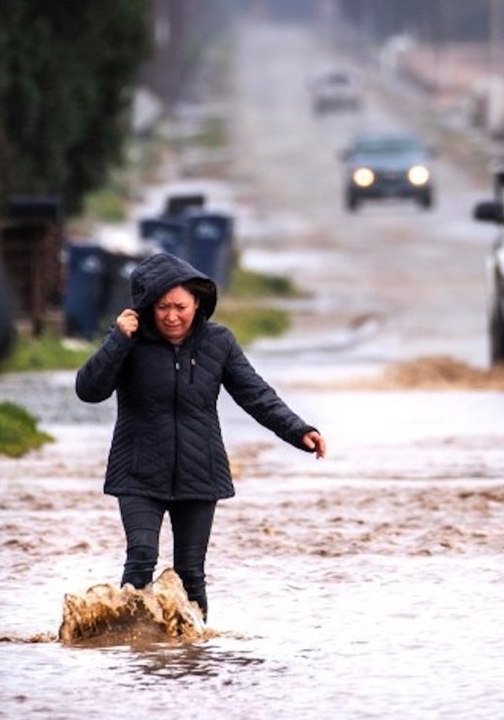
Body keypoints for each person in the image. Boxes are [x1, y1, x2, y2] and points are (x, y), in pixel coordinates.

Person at [76, 252, 325, 622]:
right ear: (148, 306)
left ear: (198, 303)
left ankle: (192, 648)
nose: (171, 316)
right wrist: (117, 339)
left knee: (191, 573)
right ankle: (132, 646)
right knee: (141, 558)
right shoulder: (129, 342)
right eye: (162, 307)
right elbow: (89, 390)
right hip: (138, 471)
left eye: (180, 307)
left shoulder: (218, 342)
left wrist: (299, 430)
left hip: (200, 472)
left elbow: (256, 395)